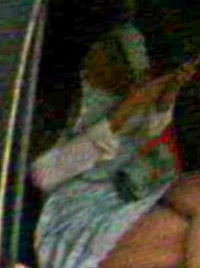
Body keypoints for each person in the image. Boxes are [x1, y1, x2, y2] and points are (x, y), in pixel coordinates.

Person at [32, 15, 200, 268]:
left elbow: (147, 134)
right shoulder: (66, 100)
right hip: (75, 214)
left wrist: (169, 91)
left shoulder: (123, 95)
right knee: (177, 233)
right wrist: (124, 112)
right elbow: (44, 174)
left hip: (122, 198)